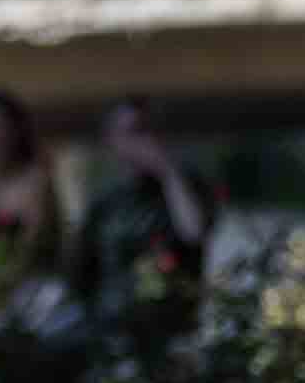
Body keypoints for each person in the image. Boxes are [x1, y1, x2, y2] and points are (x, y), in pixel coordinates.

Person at [72, 95, 214, 336]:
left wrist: (168, 172)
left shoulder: (186, 187)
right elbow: (84, 271)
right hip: (113, 326)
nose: (145, 141)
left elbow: (195, 232)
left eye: (149, 130)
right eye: (134, 132)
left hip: (172, 326)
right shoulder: (105, 204)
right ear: (112, 140)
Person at [0, 89, 62, 312]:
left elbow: (36, 241)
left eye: (0, 126)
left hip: (29, 293)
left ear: (17, 130)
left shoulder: (36, 181)